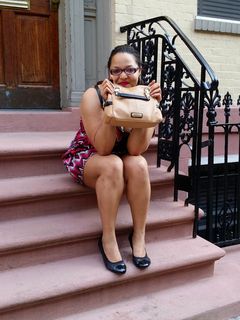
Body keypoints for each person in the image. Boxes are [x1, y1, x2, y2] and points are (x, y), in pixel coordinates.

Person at [62, 44, 162, 274]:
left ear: (140, 71)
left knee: (138, 163)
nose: (123, 76)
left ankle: (138, 236)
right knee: (113, 163)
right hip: (89, 155)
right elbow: (104, 148)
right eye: (116, 71)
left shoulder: (144, 95)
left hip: (123, 154)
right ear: (108, 73)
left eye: (129, 70)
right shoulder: (94, 95)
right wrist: (109, 104)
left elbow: (136, 150)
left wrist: (151, 107)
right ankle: (108, 239)